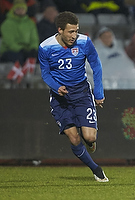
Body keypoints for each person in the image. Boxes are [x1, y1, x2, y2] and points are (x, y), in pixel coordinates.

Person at [38, 11, 109, 182]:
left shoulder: (84, 42)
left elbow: (96, 66)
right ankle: (96, 169)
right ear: (60, 30)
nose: (74, 35)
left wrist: (98, 93)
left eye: (76, 31)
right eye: (70, 32)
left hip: (82, 93)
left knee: (89, 137)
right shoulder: (45, 47)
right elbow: (45, 74)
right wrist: (56, 87)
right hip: (60, 98)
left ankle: (90, 142)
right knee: (73, 137)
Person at [0, 0, 39, 83]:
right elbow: (9, 42)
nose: (20, 10)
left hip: (26, 50)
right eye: (18, 9)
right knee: (19, 57)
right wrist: (21, 49)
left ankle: (32, 82)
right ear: (13, 9)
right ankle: (14, 80)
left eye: (22, 8)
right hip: (9, 51)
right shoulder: (7, 24)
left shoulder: (30, 23)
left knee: (38, 57)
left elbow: (34, 39)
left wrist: (33, 48)